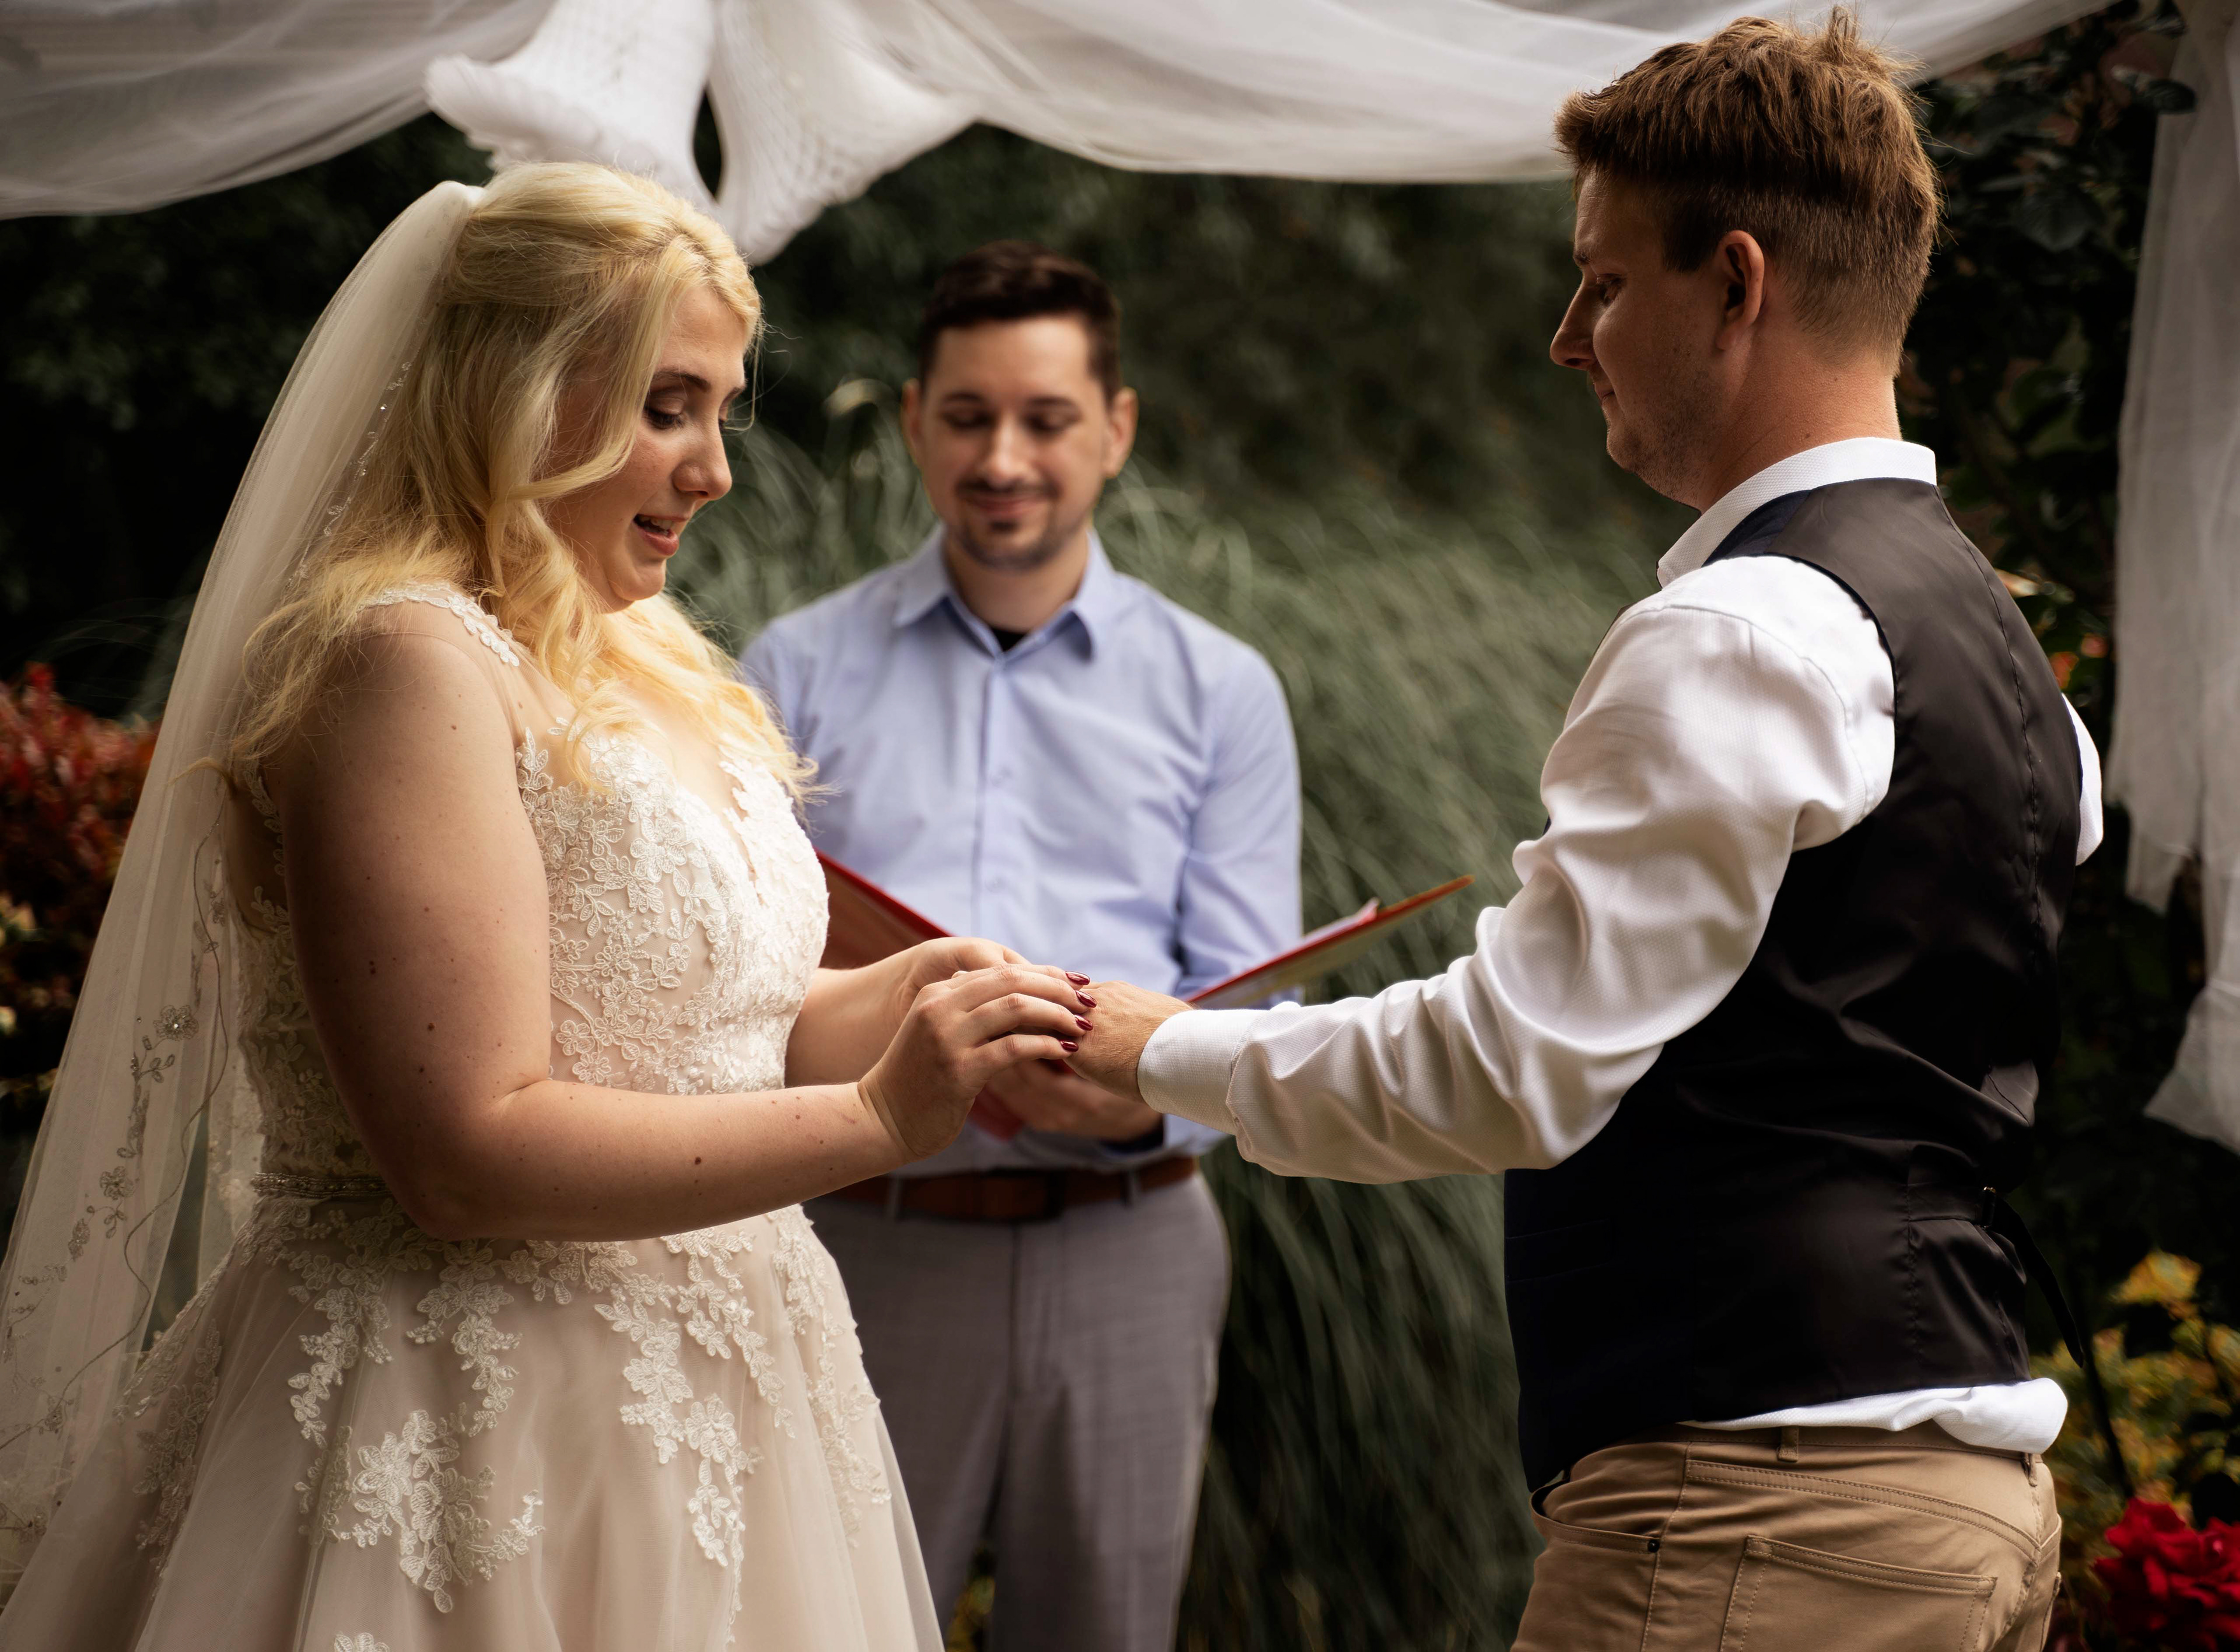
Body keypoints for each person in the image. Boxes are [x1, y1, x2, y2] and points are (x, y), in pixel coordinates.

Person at [1070, 15, 2099, 1651]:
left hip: (1760, 1513)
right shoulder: (2006, 659)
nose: (1568, 339)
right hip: (1954, 1499)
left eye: (1605, 283)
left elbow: (1510, 1066)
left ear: (1737, 284)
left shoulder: (1743, 633)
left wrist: (1160, 1053)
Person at [0, 164, 1097, 1652]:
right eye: (666, 407)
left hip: (732, 1405)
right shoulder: (402, 663)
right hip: (468, 1416)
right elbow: (464, 1153)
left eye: (720, 412)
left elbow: (708, 1037)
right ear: (514, 393)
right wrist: (879, 1119)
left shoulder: (648, 657)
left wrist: (903, 1003)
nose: (712, 471)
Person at [741, 242, 1298, 1651]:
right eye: (968, 416)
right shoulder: (791, 670)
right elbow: (738, 975)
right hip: (860, 1239)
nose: (1003, 459)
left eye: (1046, 420)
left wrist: (1141, 1096)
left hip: (1131, 1248)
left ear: (1116, 428)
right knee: (826, 1631)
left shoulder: (1223, 693)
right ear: (914, 421)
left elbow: (1253, 994)